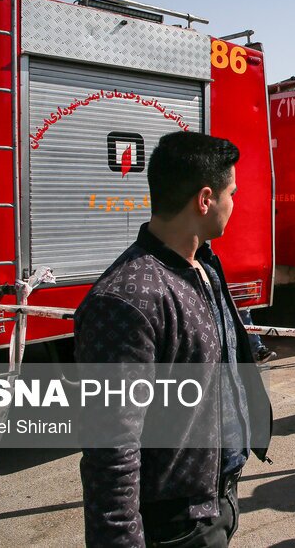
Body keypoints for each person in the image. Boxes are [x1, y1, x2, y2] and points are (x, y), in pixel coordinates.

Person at [75, 132, 272, 547]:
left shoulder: (202, 265)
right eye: (231, 194)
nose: (234, 203)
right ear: (205, 200)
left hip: (216, 499)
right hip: (177, 524)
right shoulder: (127, 299)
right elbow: (111, 450)